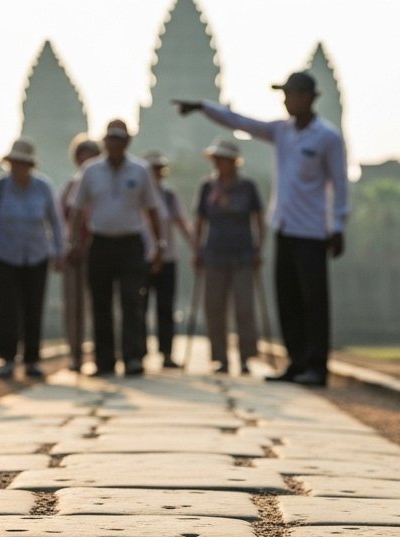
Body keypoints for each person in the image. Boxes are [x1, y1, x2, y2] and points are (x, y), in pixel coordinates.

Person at [177, 71, 349, 387]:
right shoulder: (281, 133)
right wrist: (203, 107)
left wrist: (338, 225)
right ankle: (296, 362)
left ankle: (316, 365)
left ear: (308, 97)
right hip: (284, 226)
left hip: (313, 230)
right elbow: (240, 122)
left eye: (290, 94)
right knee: (288, 299)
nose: (286, 100)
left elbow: (339, 183)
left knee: (313, 300)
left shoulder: (327, 137)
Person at [66, 119, 167, 377]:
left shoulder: (140, 170)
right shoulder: (90, 171)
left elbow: (153, 210)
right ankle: (104, 360)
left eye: (119, 139)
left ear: (127, 142)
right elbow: (77, 210)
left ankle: (133, 357)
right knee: (100, 304)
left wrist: (159, 244)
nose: (114, 144)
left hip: (131, 243)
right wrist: (74, 242)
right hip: (100, 242)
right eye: (110, 138)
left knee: (132, 301)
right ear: (105, 141)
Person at [0, 137, 65, 380]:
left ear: (30, 165)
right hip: (4, 254)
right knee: (5, 308)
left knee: (32, 308)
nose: (18, 167)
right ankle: (6, 358)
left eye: (23, 163)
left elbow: (55, 223)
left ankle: (32, 360)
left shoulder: (43, 187)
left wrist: (59, 252)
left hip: (36, 255)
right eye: (15, 163)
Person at [193, 138, 264, 375]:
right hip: (214, 253)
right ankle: (220, 357)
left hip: (243, 253)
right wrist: (197, 250)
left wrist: (258, 249)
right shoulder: (207, 186)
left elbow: (258, 218)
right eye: (217, 159)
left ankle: (246, 356)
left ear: (233, 162)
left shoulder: (247, 187)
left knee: (244, 307)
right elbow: (200, 221)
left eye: (224, 159)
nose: (219, 163)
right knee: (214, 308)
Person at [142, 151, 196, 369]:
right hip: (143, 258)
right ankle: (138, 352)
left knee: (165, 308)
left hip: (167, 258)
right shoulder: (137, 195)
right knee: (140, 307)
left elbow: (183, 223)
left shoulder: (169, 195)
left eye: (158, 169)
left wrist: (197, 249)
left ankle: (166, 352)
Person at [60, 135, 101, 373]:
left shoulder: (103, 185)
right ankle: (75, 354)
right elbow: (59, 219)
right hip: (74, 252)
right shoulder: (70, 186)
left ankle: (101, 353)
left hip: (99, 251)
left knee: (99, 305)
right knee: (73, 307)